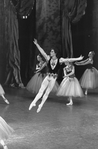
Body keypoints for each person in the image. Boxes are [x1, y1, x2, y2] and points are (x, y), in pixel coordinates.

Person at [29, 39, 83, 113]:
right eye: (51, 51)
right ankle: (33, 102)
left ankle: (41, 105)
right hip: (48, 77)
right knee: (41, 90)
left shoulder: (60, 60)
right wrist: (37, 44)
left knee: (47, 93)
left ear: (55, 53)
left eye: (52, 51)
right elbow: (42, 51)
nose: (50, 52)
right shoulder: (48, 58)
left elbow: (69, 59)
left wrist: (78, 58)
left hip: (53, 79)